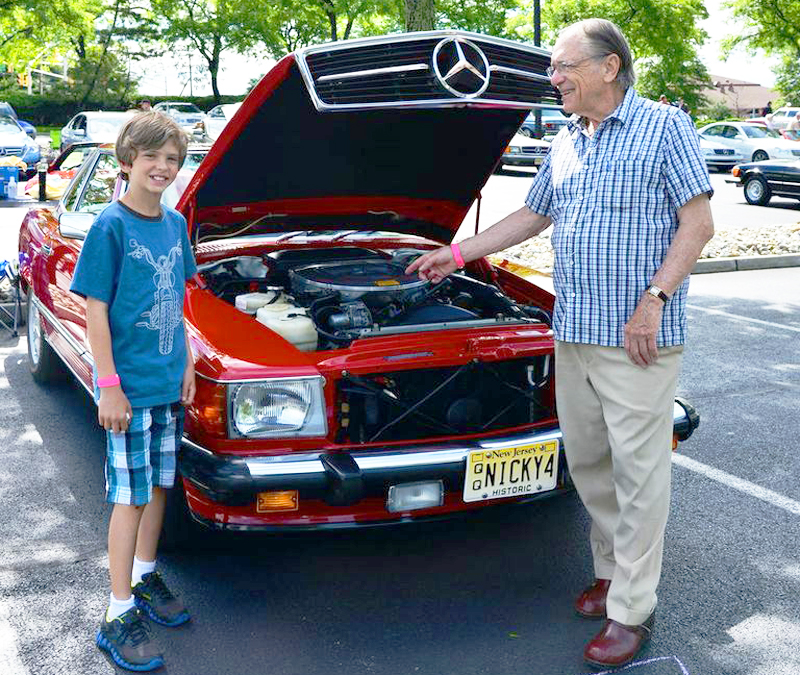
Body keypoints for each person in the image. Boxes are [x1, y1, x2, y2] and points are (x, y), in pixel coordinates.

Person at [407, 18, 713, 669]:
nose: (553, 79)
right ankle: (610, 573)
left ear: (608, 66)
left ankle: (632, 606)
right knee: (591, 465)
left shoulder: (664, 127)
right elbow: (533, 212)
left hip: (637, 339)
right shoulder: (569, 139)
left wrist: (653, 300)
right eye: (551, 69)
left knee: (639, 476)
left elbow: (699, 221)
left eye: (562, 66)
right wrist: (457, 253)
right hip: (572, 331)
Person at [70, 111, 197, 672]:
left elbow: (181, 299)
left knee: (160, 487)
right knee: (131, 496)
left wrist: (188, 362)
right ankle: (116, 611)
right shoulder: (111, 227)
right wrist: (109, 386)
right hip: (129, 391)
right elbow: (95, 311)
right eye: (152, 157)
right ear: (127, 162)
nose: (163, 167)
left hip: (169, 384)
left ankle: (144, 576)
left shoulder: (175, 225)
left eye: (172, 159)